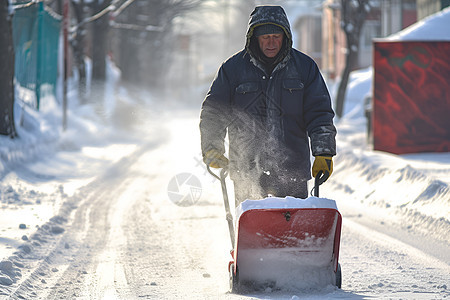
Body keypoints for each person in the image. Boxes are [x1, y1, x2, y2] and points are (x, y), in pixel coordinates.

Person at [199, 5, 336, 205]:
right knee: (252, 231)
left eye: (276, 36)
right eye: (265, 37)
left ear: (285, 36)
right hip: (247, 171)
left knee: (292, 233)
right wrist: (212, 148)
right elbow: (213, 112)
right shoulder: (233, 69)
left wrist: (323, 152)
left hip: (292, 170)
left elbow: (320, 112)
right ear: (254, 38)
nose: (271, 42)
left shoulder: (304, 68)